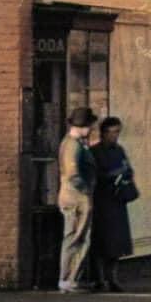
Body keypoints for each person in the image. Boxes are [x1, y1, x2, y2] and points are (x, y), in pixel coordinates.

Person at [91, 115, 135, 292]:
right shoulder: (95, 152)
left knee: (117, 243)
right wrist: (112, 174)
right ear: (103, 133)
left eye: (118, 132)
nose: (115, 136)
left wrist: (125, 174)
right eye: (112, 132)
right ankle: (100, 279)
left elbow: (128, 170)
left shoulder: (119, 150)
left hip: (117, 200)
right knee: (102, 241)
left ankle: (113, 278)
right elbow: (94, 175)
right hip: (103, 200)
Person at [56, 106, 98, 291]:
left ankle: (70, 278)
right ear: (83, 125)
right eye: (89, 125)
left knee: (76, 237)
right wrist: (86, 191)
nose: (91, 129)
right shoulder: (73, 145)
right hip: (77, 198)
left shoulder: (72, 143)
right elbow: (73, 174)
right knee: (76, 238)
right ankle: (68, 279)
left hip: (74, 197)